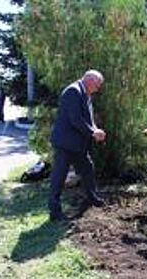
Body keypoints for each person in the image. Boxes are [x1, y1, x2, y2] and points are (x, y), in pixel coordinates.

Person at [48, 70, 107, 222]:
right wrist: (92, 132)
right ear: (89, 80)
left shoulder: (85, 93)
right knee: (59, 177)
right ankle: (55, 212)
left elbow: (88, 117)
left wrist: (95, 130)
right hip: (65, 143)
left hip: (77, 144)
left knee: (88, 168)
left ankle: (91, 197)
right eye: (97, 84)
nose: (98, 88)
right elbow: (75, 119)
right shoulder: (73, 91)